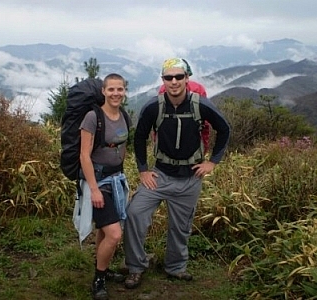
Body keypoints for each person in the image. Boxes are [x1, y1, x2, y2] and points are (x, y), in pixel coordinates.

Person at [123, 58, 230, 289]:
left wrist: (213, 162)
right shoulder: (154, 106)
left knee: (181, 227)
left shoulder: (200, 104)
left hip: (190, 178)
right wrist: (143, 170)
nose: (174, 81)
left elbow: (224, 129)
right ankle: (135, 267)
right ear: (163, 80)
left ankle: (175, 267)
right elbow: (139, 137)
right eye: (168, 77)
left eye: (178, 77)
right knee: (134, 214)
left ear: (187, 79)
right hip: (160, 175)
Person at [79, 73, 132, 299]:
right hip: (99, 182)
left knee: (104, 229)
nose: (115, 94)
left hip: (116, 180)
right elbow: (84, 155)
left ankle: (103, 267)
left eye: (119, 89)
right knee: (114, 234)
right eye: (111, 89)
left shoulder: (124, 116)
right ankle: (99, 279)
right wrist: (94, 189)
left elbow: (122, 147)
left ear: (124, 91)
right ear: (103, 91)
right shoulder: (93, 117)